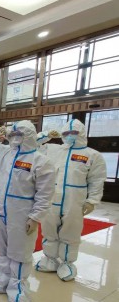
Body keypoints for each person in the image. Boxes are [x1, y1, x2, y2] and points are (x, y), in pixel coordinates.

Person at [0, 121, 55, 302]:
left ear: (28, 136)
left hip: (21, 213)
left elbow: (45, 193)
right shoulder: (3, 153)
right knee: (0, 246)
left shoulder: (41, 161)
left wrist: (35, 217)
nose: (14, 139)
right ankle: (2, 279)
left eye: (19, 135)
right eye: (12, 135)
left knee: (19, 251)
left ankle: (18, 287)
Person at [36, 119, 107, 281]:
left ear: (81, 133)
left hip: (74, 201)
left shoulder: (92, 155)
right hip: (52, 198)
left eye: (73, 132)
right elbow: (31, 145)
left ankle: (67, 264)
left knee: (70, 232)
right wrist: (46, 135)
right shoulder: (53, 150)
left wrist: (92, 201)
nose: (69, 136)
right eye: (66, 133)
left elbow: (96, 180)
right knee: (49, 229)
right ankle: (49, 259)